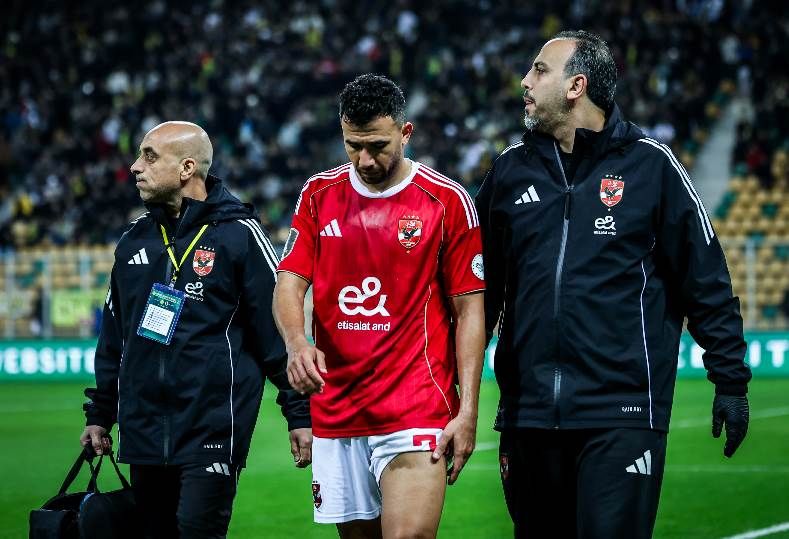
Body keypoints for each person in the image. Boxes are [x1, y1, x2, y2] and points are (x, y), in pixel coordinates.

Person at [475, 31, 752, 538]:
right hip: (528, 415)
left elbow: (706, 279)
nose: (525, 81)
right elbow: (479, 293)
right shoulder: (509, 172)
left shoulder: (652, 166)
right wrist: (453, 386)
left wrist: (730, 380)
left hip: (621, 412)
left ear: (576, 86)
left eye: (539, 70)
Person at [273, 74, 485, 538]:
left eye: (377, 146)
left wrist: (468, 410)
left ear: (405, 133)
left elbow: (470, 311)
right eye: (353, 146)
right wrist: (296, 342)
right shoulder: (318, 194)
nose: (365, 160)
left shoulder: (446, 201)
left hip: (416, 403)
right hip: (337, 406)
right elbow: (289, 281)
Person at [80, 121, 311, 539]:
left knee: (196, 531)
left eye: (150, 156)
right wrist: (100, 414)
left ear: (187, 168)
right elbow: (114, 338)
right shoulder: (133, 241)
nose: (135, 167)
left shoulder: (240, 235)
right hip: (144, 432)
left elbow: (275, 334)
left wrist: (299, 413)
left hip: (212, 427)